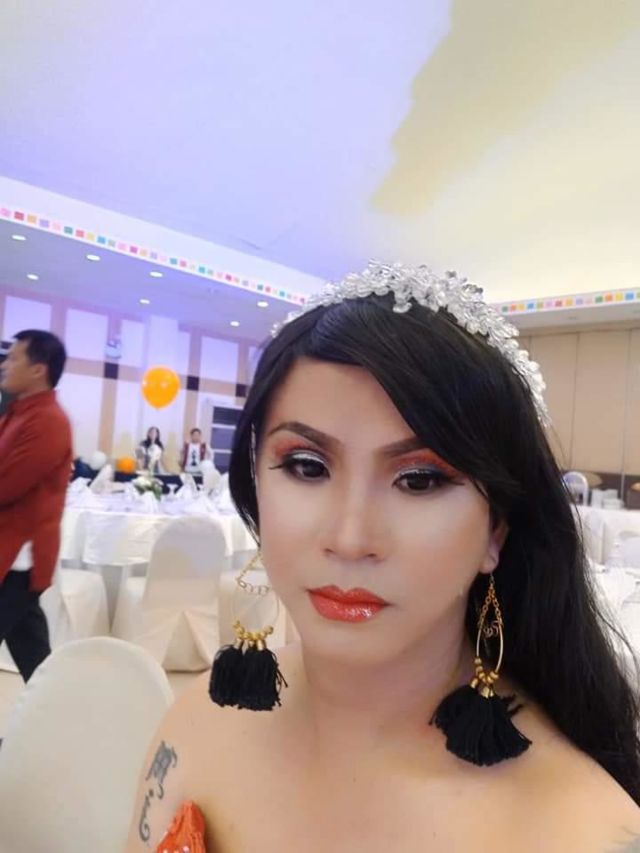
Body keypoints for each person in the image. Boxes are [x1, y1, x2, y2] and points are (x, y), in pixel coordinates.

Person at [127, 263, 640, 852]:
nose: (350, 538)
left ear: (496, 529)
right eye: (306, 467)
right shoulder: (200, 719)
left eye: (419, 480)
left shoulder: (581, 832)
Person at [0, 330, 72, 682]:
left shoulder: (48, 421)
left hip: (18, 558)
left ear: (38, 370)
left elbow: (6, 485)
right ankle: (56, 711)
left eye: (14, 358)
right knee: (34, 655)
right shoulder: (18, 413)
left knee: (33, 651)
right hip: (12, 556)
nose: (5, 364)